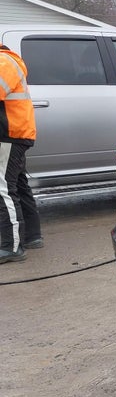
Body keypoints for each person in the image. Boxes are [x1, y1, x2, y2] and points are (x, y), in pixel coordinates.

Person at [0, 43, 41, 264]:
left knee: (3, 189)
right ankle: (32, 236)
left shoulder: (4, 61)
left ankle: (11, 246)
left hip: (9, 135)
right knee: (19, 184)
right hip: (14, 133)